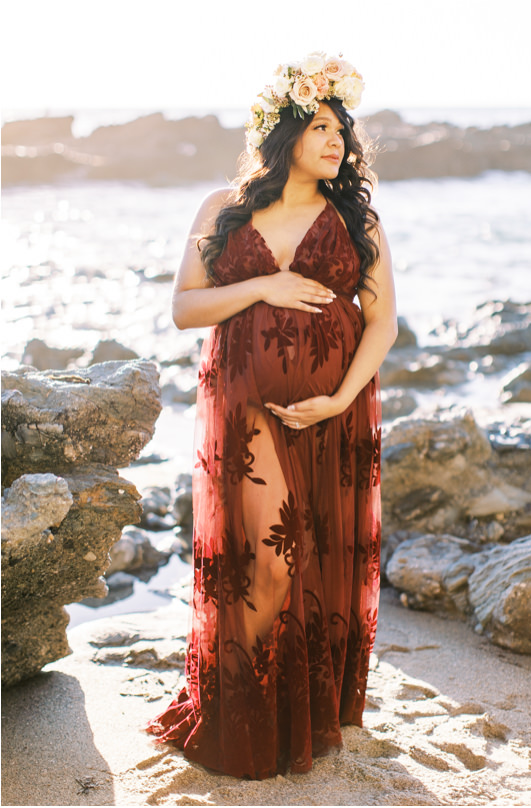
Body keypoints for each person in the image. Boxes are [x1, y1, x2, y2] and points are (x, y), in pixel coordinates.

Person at [149, 53, 397, 779]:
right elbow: (185, 309)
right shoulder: (221, 209)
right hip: (245, 404)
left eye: (342, 133)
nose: (336, 143)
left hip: (333, 414)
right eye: (320, 127)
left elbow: (381, 324)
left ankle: (285, 709)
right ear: (284, 130)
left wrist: (340, 397)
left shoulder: (357, 219)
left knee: (316, 562)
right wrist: (270, 283)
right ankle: (238, 707)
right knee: (271, 559)